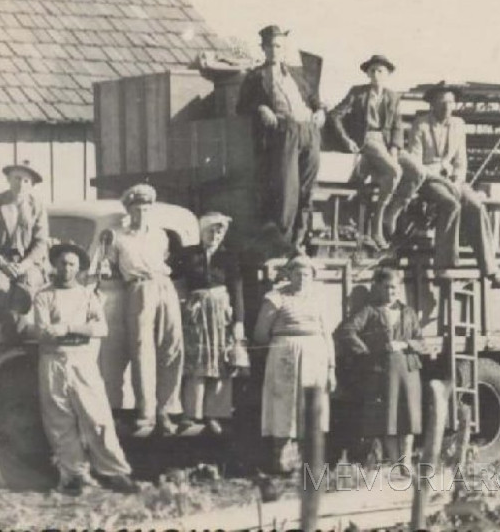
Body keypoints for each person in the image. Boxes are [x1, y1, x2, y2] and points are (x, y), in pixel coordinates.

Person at [28, 243, 136, 496]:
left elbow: (101, 329)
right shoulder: (44, 296)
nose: (67, 268)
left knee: (97, 417)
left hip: (83, 362)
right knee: (59, 421)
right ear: (55, 265)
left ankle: (115, 472)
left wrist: (68, 329)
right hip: (53, 362)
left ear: (79, 268)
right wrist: (73, 332)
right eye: (63, 263)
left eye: (72, 264)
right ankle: (75, 476)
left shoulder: (88, 296)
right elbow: (44, 332)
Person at [401, 83, 500, 289]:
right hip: (428, 180)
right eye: (442, 102)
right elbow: (415, 163)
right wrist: (439, 170)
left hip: (452, 180)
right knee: (450, 204)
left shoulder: (459, 125)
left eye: (450, 102)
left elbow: (461, 162)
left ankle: (491, 270)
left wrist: (457, 180)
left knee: (476, 205)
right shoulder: (421, 125)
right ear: (432, 104)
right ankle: (443, 267)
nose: (447, 107)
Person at [236, 24, 327, 251]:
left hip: (308, 130)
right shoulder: (255, 76)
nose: (276, 50)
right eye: (271, 46)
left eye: (279, 46)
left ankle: (300, 240)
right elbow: (241, 106)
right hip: (284, 132)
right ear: (264, 49)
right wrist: (260, 108)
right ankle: (283, 244)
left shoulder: (297, 73)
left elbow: (313, 98)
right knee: (288, 189)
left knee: (307, 188)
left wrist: (320, 111)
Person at [103, 184, 183, 435]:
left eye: (146, 209)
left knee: (172, 345)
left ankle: (166, 409)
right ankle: (146, 410)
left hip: (164, 286)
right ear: (128, 210)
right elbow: (111, 268)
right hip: (138, 288)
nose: (142, 214)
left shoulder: (160, 235)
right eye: (137, 209)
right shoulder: (118, 237)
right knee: (142, 349)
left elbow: (165, 258)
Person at [254, 255, 336, 473]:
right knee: (284, 407)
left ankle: (308, 463)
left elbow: (328, 335)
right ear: (288, 274)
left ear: (313, 277)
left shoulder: (319, 298)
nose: (302, 279)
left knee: (310, 406)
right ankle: (282, 462)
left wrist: (331, 368)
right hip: (285, 357)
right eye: (297, 274)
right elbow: (261, 334)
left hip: (315, 357)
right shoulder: (276, 298)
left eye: (306, 275)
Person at [336, 267, 422, 465]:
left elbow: (421, 340)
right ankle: (395, 462)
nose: (390, 292)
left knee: (409, 418)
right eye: (386, 288)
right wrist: (368, 352)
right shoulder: (370, 311)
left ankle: (406, 462)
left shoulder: (408, 312)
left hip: (409, 370)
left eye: (394, 288)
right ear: (378, 288)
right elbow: (347, 331)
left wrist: (405, 344)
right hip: (383, 371)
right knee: (389, 419)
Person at [172, 212, 246, 435]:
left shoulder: (229, 258)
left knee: (221, 361)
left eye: (219, 231)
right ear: (201, 232)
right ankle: (191, 413)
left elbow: (237, 290)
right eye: (210, 230)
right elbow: (173, 277)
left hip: (221, 312)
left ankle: (215, 414)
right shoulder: (188, 254)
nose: (214, 235)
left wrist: (239, 321)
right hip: (195, 313)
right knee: (196, 360)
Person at [329, 54, 413, 249]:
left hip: (385, 143)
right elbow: (335, 115)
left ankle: (392, 213)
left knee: (415, 171)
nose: (376, 74)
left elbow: (397, 125)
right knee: (395, 171)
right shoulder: (358, 93)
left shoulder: (392, 96)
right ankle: (377, 225)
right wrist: (347, 140)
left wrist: (394, 147)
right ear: (367, 73)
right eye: (372, 70)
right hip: (366, 139)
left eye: (380, 71)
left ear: (387, 75)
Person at [0, 159, 50, 333]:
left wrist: (25, 265)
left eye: (26, 181)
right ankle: (9, 325)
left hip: (28, 263)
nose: (21, 184)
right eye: (17, 178)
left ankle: (22, 327)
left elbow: (41, 242)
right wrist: (3, 264)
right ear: (9, 179)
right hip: (0, 262)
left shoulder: (37, 207)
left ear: (32, 184)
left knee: (29, 284)